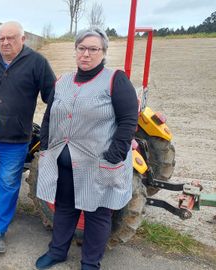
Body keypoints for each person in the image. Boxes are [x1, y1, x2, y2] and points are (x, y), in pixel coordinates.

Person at [34, 27, 138, 269]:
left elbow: (127, 122)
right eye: (82, 48)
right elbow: (50, 115)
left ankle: (91, 262)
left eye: (93, 49)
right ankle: (57, 251)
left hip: (98, 163)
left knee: (97, 214)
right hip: (64, 162)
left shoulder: (115, 80)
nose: (86, 54)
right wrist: (47, 146)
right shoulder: (63, 81)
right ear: (76, 51)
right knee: (64, 208)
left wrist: (113, 157)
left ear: (103, 52)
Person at [0, 21, 56, 254]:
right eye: (2, 39)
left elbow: (53, 96)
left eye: (11, 38)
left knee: (8, 182)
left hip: (16, 139)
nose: (6, 42)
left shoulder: (37, 63)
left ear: (22, 39)